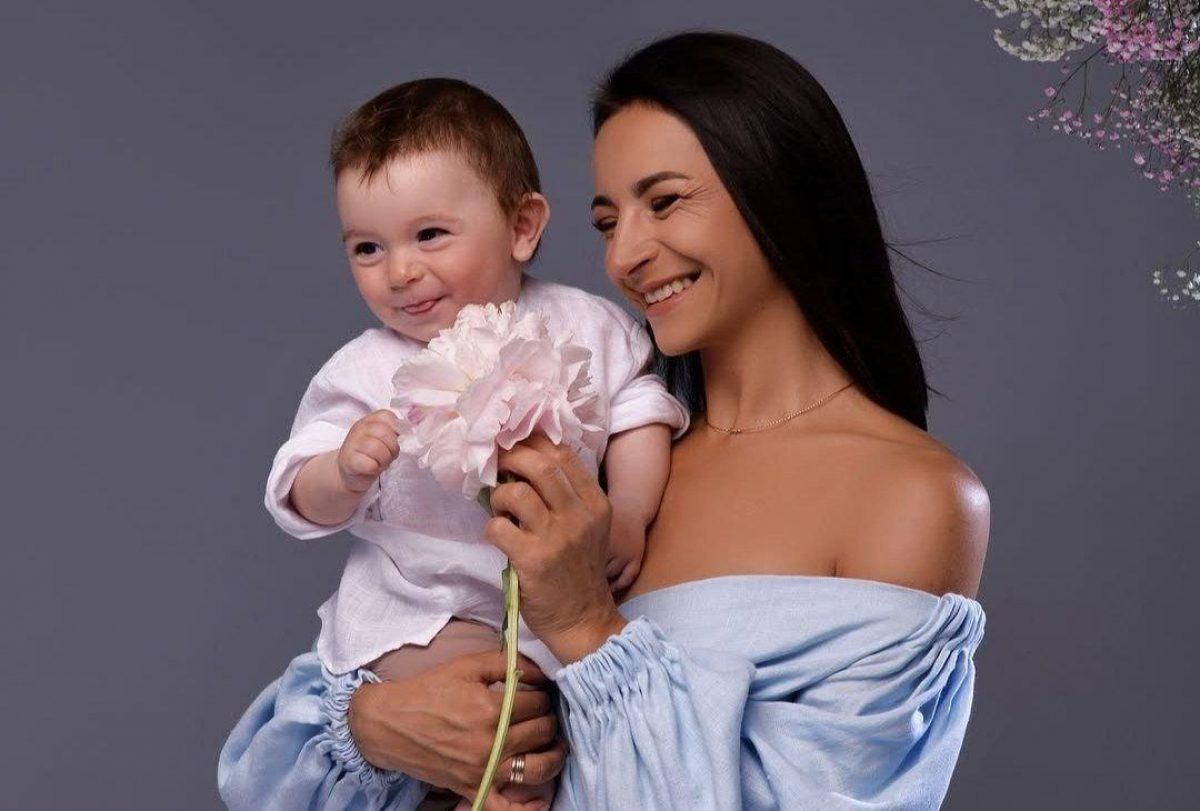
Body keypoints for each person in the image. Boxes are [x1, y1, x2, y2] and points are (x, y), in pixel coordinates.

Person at [219, 31, 990, 810]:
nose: (624, 257)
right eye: (608, 222)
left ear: (784, 190)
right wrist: (376, 725)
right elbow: (271, 769)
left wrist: (585, 621)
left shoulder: (912, 496)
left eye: (665, 202)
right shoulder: (595, 458)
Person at [224, 77, 691, 810]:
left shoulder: (586, 325)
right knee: (487, 704)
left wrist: (628, 510)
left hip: (558, 609)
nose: (399, 271)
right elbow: (294, 488)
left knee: (553, 729)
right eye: (367, 247)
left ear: (522, 226)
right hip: (421, 614)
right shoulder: (365, 369)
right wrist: (341, 472)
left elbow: (639, 410)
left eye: (430, 235)